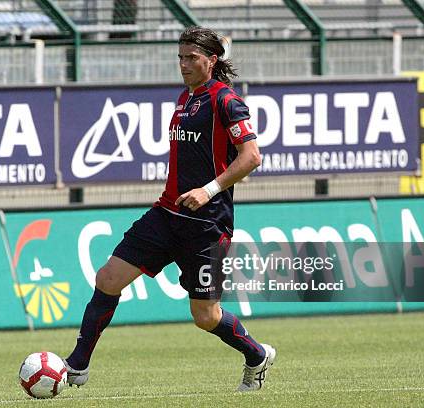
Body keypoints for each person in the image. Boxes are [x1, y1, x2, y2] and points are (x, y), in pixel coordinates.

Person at [63, 26, 276, 392]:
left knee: (205, 316)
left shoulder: (226, 101)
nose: (184, 64)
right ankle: (77, 366)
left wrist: (208, 190)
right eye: (180, 57)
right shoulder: (184, 98)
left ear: (212, 60)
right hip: (166, 214)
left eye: (192, 57)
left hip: (206, 225)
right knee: (107, 279)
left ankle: (256, 355)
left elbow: (252, 156)